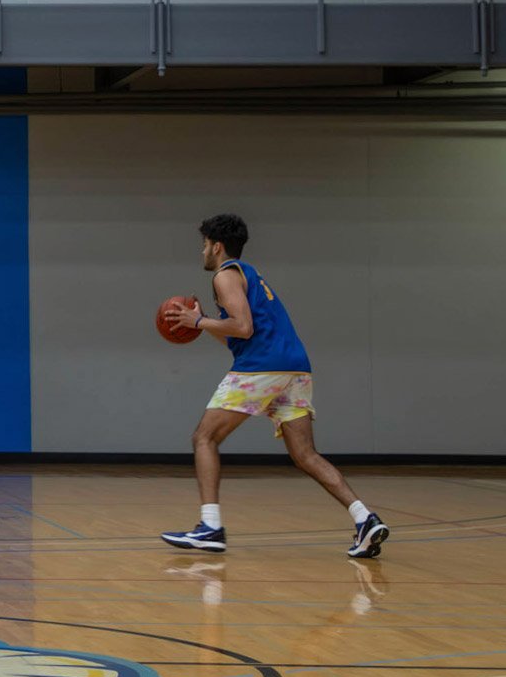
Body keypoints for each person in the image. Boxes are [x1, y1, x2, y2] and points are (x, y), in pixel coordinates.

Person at [161, 213, 389, 559]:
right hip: (294, 368)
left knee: (204, 438)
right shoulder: (248, 275)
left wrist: (199, 320)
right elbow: (238, 335)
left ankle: (210, 527)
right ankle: (364, 518)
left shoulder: (226, 275)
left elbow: (244, 328)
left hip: (262, 366)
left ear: (216, 246)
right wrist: (206, 323)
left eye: (204, 244)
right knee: (305, 454)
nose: (202, 251)